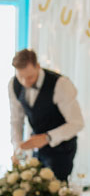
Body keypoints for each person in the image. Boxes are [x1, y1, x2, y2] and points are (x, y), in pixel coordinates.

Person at [8, 49, 84, 181]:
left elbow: (77, 123)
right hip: (36, 150)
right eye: (21, 77)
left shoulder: (61, 84)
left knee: (56, 191)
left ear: (37, 66)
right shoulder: (13, 85)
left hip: (61, 149)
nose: (25, 82)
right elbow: (16, 120)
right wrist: (17, 148)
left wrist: (47, 137)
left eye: (30, 77)